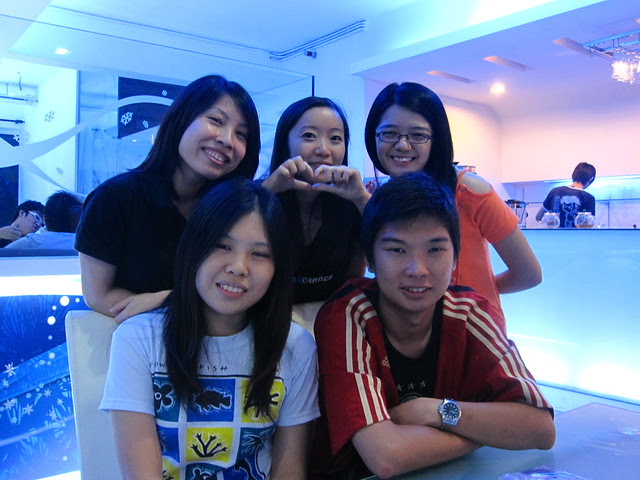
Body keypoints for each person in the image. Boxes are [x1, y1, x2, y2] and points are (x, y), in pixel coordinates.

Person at [313, 172, 555, 479]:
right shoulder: (348, 314)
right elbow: (386, 457)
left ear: (455, 259)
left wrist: (435, 411)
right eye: (397, 250)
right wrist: (487, 431)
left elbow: (540, 427)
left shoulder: (468, 311)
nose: (417, 269)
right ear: (370, 259)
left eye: (435, 249)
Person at [101, 178, 320, 479]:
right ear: (194, 249)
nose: (238, 267)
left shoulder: (295, 346)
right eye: (222, 246)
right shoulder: (138, 338)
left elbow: (289, 469)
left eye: (259, 254)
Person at [75, 74, 261, 323]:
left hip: (216, 337)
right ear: (181, 120)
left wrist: (167, 299)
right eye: (216, 120)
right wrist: (168, 304)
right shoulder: (116, 198)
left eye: (241, 134)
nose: (227, 140)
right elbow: (98, 295)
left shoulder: (230, 211)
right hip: (137, 339)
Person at [364, 82, 542, 330]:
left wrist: (477, 294)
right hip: (409, 335)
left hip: (475, 332)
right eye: (389, 133)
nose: (402, 145)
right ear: (373, 136)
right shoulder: (378, 197)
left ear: (436, 139)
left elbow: (528, 273)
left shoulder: (470, 191)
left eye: (418, 135)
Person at [262, 97, 369, 303]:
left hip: (330, 315)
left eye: (335, 138)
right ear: (285, 142)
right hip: (268, 314)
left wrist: (362, 199)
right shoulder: (262, 193)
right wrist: (268, 191)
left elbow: (386, 254)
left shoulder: (351, 204)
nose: (323, 150)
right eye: (309, 136)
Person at [6, 190, 82, 250]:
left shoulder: (32, 242)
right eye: (37, 217)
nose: (38, 224)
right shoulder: (84, 245)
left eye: (41, 223)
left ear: (45, 219)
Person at [536, 162, 596, 228]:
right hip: (577, 235)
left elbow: (539, 217)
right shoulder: (589, 198)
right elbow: (589, 225)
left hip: (554, 234)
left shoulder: (554, 192)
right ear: (591, 178)